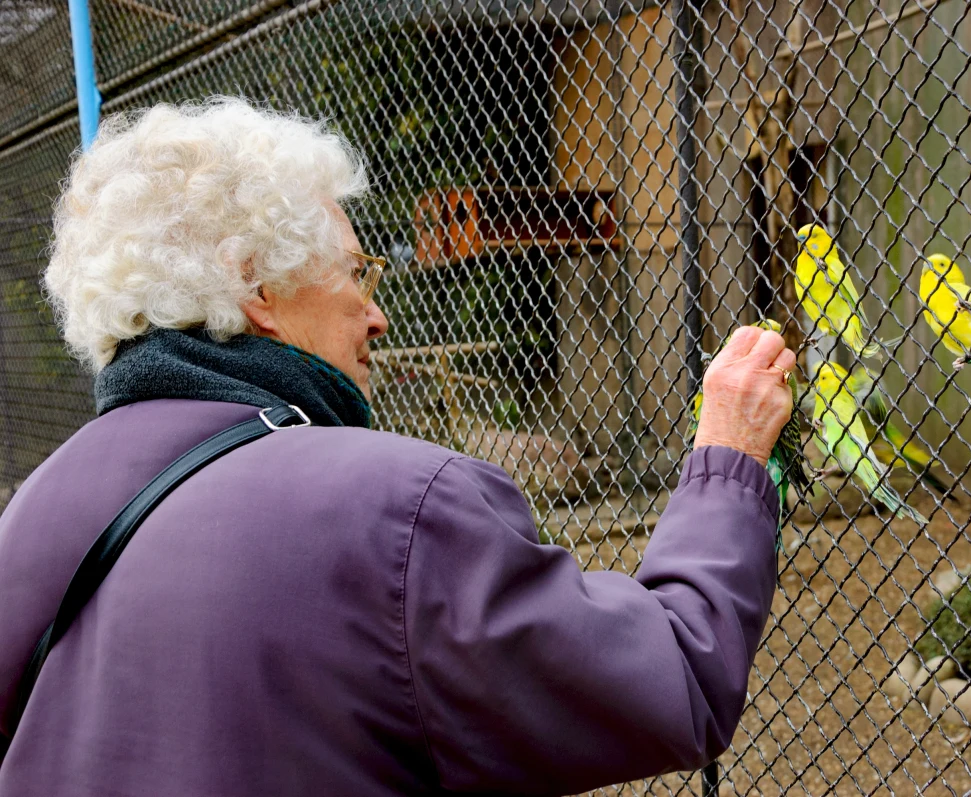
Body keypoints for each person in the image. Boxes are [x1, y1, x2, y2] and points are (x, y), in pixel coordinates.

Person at [0, 98, 797, 796]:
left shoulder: (32, 513)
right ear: (256, 287)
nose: (377, 316)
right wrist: (727, 456)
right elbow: (671, 681)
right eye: (357, 273)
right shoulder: (396, 508)